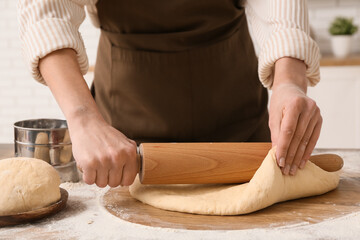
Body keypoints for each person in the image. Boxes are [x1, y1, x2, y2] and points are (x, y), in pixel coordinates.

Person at [18, 0, 322, 188]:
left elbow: (280, 9)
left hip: (238, 126)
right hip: (122, 138)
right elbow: (47, 15)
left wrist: (288, 82)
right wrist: (83, 118)